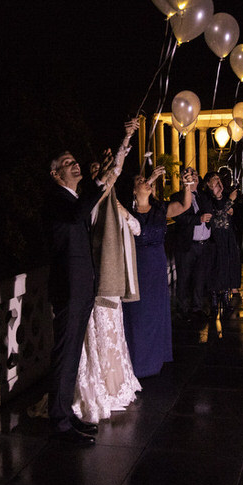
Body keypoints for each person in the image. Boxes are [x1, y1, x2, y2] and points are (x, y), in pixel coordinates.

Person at [43, 119, 137, 445]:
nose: (74, 164)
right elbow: (78, 215)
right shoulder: (57, 199)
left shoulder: (72, 198)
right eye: (67, 163)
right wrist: (98, 182)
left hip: (82, 289)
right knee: (64, 354)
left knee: (71, 357)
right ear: (56, 174)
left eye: (74, 160)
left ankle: (66, 415)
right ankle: (58, 422)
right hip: (68, 290)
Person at [72, 181, 142, 423]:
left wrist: (122, 210)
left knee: (113, 335)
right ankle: (100, 385)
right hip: (96, 285)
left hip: (113, 283)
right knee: (99, 334)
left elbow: (137, 227)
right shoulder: (88, 208)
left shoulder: (115, 207)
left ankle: (116, 384)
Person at [123, 166, 193, 377]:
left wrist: (187, 184)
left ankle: (155, 358)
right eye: (140, 180)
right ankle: (136, 361)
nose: (145, 182)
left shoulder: (160, 209)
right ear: (134, 190)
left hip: (156, 265)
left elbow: (184, 205)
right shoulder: (127, 212)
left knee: (155, 312)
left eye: (147, 180)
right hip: (136, 267)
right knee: (137, 314)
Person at [170, 166, 213, 318]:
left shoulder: (203, 196)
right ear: (184, 179)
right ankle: (182, 308)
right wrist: (198, 219)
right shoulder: (177, 197)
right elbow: (178, 217)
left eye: (195, 174)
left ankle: (197, 307)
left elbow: (211, 211)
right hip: (187, 245)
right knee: (184, 277)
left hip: (204, 244)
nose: (193, 177)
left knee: (200, 277)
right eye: (189, 175)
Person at [203, 171, 240, 313]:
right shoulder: (207, 198)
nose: (218, 182)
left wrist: (229, 206)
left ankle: (225, 296)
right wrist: (229, 202)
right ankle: (213, 298)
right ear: (208, 183)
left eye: (219, 179)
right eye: (214, 179)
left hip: (228, 235)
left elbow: (227, 214)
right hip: (215, 237)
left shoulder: (224, 197)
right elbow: (215, 218)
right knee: (216, 265)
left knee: (227, 264)